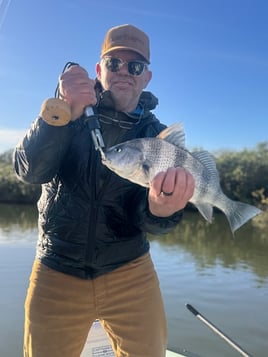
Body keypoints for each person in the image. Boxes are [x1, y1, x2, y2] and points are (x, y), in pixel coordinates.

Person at [14, 24, 195, 357]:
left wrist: (162, 210)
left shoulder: (159, 138)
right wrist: (61, 110)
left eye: (135, 66)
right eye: (114, 64)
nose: (124, 72)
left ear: (147, 77)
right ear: (99, 70)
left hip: (130, 270)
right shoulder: (68, 111)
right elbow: (29, 171)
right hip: (57, 268)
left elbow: (152, 222)